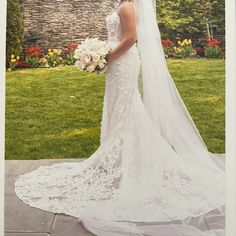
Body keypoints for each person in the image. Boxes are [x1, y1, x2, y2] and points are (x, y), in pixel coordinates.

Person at [15, 0, 225, 235]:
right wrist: (101, 55)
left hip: (122, 60)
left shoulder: (127, 7)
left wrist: (104, 58)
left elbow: (130, 38)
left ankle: (126, 159)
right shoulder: (125, 5)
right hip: (118, 60)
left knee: (126, 108)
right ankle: (119, 158)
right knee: (118, 108)